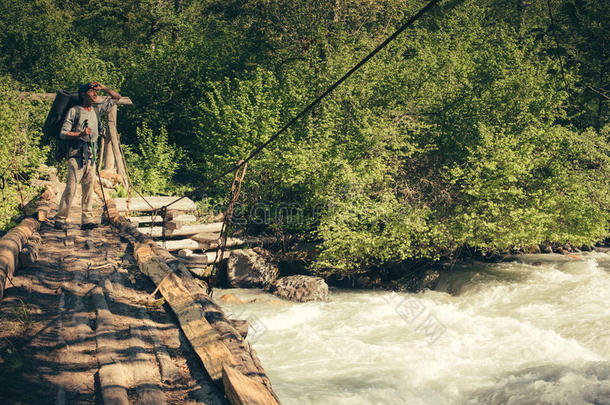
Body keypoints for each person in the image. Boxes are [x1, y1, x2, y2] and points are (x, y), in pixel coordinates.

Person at [54, 81, 121, 230]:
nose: (96, 94)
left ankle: (87, 220)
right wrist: (80, 134)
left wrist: (103, 87)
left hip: (91, 156)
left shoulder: (97, 109)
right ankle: (60, 219)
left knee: (88, 189)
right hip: (76, 155)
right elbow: (63, 133)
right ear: (83, 94)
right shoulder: (74, 111)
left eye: (96, 92)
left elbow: (116, 98)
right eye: (92, 92)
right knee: (71, 188)